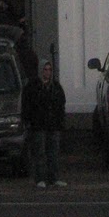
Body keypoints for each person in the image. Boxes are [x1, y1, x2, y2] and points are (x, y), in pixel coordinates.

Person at [22, 58, 67, 188]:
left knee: (53, 153)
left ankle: (54, 178)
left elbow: (61, 105)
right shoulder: (32, 87)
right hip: (38, 125)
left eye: (49, 70)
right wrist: (28, 121)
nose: (47, 72)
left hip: (53, 124)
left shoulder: (56, 87)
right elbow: (27, 106)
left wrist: (60, 121)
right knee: (39, 153)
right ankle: (40, 178)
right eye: (45, 70)